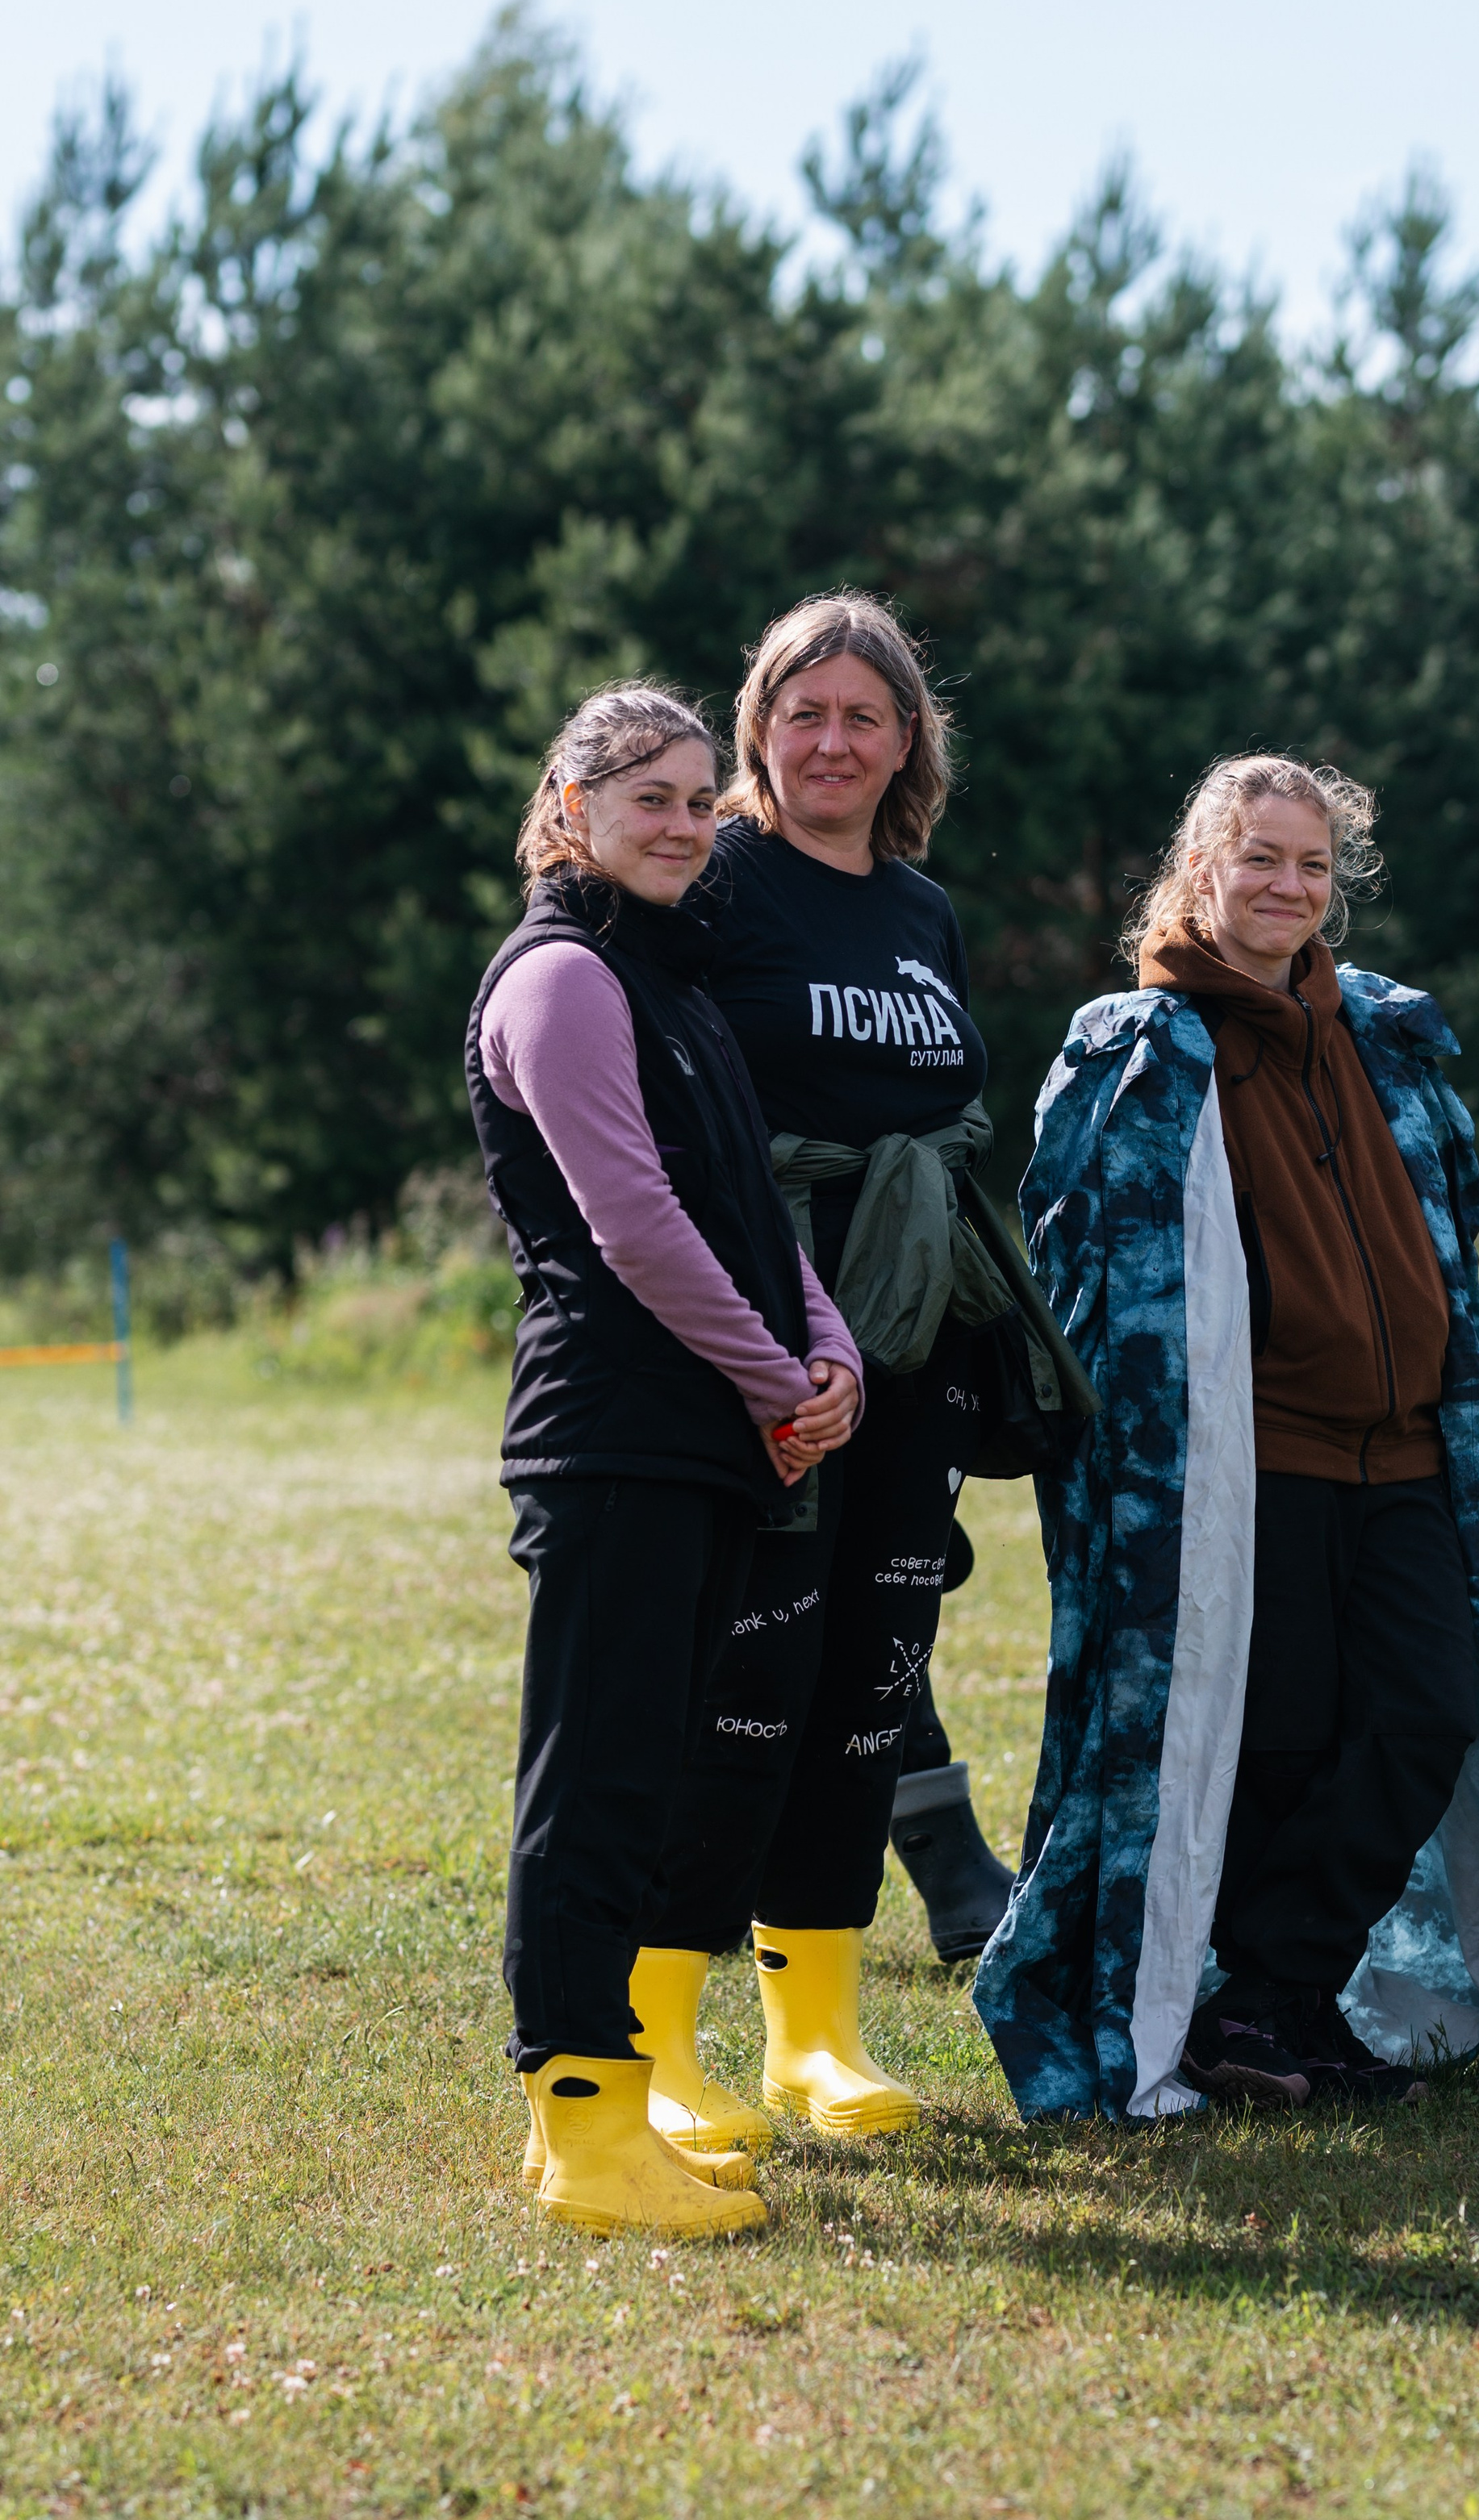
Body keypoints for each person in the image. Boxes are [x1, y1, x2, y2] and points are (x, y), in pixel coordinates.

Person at [974, 754, 1479, 2119]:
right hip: (1247, 1467)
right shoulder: (1138, 1047)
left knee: (1429, 1713)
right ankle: (1267, 2014)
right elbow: (1083, 1283)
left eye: (1311, 865)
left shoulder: (1385, 1036)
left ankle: (1274, 1989)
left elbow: (1445, 1230)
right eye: (1260, 859)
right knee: (1276, 1741)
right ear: (1202, 870)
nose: (1287, 886)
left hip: (1411, 1454)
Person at [466, 681, 864, 2234]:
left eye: (706, 801)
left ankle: (617, 2100)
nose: (689, 826)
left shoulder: (674, 980)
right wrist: (780, 1374)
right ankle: (579, 2134)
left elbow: (753, 1210)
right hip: (619, 1434)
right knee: (596, 1777)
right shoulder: (562, 979)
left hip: (718, 1432)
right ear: (571, 810)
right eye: (653, 799)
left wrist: (824, 1345)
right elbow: (635, 1223)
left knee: (653, 1779)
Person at [658, 592, 1024, 2138]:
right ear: (759, 730)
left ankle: (815, 2032)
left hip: (917, 1332)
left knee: (876, 1666)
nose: (830, 738)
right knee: (749, 1671)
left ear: (905, 743)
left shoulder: (922, 912)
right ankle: (659, 2035)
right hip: (767, 1333)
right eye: (801, 711)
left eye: (861, 714)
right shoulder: (713, 880)